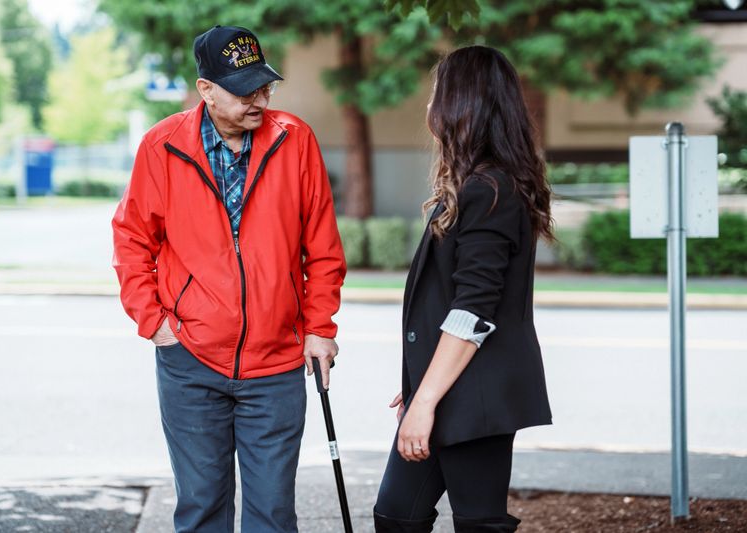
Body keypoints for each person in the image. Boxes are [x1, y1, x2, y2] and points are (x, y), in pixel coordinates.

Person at [112, 25, 346, 533]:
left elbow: (323, 248)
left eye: (265, 86)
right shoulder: (162, 146)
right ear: (206, 90)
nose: (259, 100)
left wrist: (319, 327)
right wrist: (155, 323)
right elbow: (132, 239)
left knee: (273, 515)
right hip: (191, 361)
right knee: (201, 510)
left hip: (277, 365)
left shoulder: (294, 139)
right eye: (244, 90)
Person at [373, 46, 553, 533]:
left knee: (477, 523)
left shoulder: (490, 190)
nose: (430, 105)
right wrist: (421, 381)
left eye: (437, 93)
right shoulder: (480, 184)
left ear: (460, 104)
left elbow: (473, 311)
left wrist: (425, 401)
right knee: (396, 515)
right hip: (452, 384)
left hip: (477, 394)